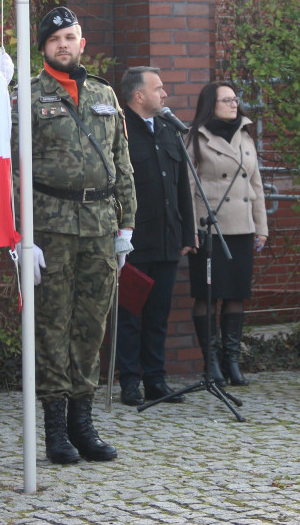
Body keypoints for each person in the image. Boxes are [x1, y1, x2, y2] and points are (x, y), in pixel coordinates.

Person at [11, 6, 136, 464]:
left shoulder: (104, 93)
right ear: (43, 48)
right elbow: (9, 167)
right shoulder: (26, 95)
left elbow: (122, 159)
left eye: (71, 37)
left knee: (90, 326)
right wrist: (20, 236)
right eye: (54, 39)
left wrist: (127, 224)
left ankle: (84, 424)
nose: (63, 45)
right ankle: (56, 430)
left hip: (101, 225)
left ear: (83, 43)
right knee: (52, 327)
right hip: (51, 226)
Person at [115, 67, 194, 406]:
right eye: (158, 89)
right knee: (130, 315)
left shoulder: (166, 129)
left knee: (159, 315)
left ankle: (156, 380)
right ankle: (130, 383)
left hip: (166, 239)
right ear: (139, 96)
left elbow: (182, 188)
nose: (164, 95)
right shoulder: (120, 132)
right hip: (134, 242)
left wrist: (187, 233)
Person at [185, 81, 268, 387]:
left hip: (242, 228)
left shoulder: (246, 135)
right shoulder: (195, 137)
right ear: (211, 104)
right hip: (209, 229)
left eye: (235, 99)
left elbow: (255, 185)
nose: (234, 104)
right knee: (208, 295)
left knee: (236, 295)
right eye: (226, 100)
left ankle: (231, 362)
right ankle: (211, 364)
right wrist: (191, 230)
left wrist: (262, 228)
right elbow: (189, 188)